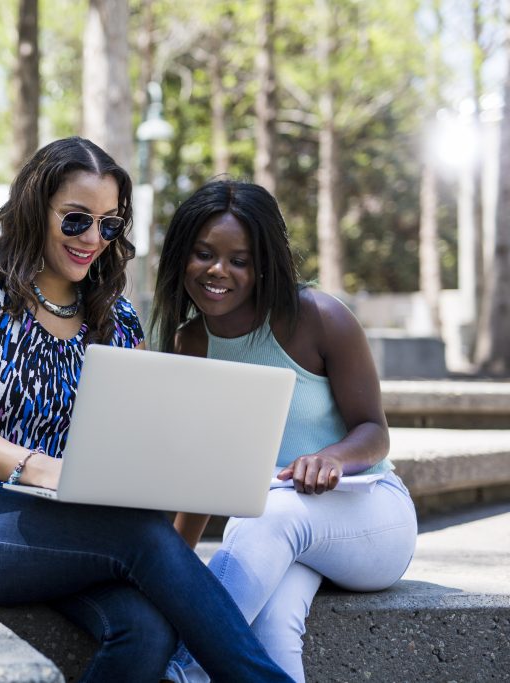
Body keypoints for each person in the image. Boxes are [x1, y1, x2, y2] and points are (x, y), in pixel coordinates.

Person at [0, 137, 294, 682]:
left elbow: (140, 438)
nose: (92, 238)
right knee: (137, 536)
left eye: (109, 224)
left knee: (147, 629)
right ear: (35, 208)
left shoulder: (116, 315)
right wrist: (42, 468)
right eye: (76, 220)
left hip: (81, 526)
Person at [151, 179, 417, 683]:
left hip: (370, 515)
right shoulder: (190, 343)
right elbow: (205, 473)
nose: (217, 271)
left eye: (239, 260)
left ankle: (180, 672)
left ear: (264, 264)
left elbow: (373, 430)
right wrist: (167, 563)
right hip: (282, 534)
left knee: (264, 513)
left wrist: (333, 458)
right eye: (203, 253)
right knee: (273, 626)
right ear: (181, 256)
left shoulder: (319, 317)